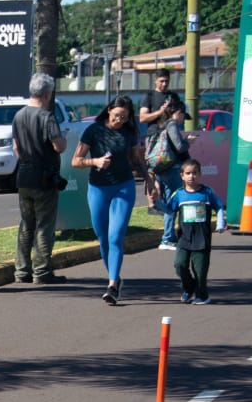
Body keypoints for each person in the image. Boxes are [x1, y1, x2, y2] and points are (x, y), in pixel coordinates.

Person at [72, 95, 144, 305]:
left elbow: (135, 158)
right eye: (116, 116)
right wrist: (95, 161)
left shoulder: (129, 132)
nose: (119, 121)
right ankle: (115, 277)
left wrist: (149, 179)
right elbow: (76, 161)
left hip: (124, 186)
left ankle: (112, 284)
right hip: (98, 189)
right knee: (102, 237)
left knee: (115, 236)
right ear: (109, 110)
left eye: (124, 118)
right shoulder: (93, 130)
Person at [10, 72, 68, 285]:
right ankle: (42, 271)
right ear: (47, 93)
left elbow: (16, 146)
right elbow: (58, 146)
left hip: (24, 174)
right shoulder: (47, 116)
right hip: (44, 176)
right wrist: (64, 140)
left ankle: (21, 270)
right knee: (44, 224)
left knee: (26, 224)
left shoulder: (19, 115)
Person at [165, 158, 227, 305]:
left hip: (202, 238)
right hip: (184, 238)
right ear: (182, 176)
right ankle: (188, 288)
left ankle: (202, 295)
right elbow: (169, 209)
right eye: (188, 173)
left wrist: (220, 223)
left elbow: (219, 206)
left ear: (200, 174)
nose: (191, 176)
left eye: (194, 173)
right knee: (179, 264)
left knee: (200, 270)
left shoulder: (207, 192)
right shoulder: (179, 194)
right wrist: (155, 202)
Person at [150, 100, 193, 251]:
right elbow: (179, 147)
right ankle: (168, 237)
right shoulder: (172, 124)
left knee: (170, 201)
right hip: (171, 168)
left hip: (161, 168)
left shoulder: (160, 124)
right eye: (183, 117)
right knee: (174, 203)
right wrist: (188, 142)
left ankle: (169, 236)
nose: (182, 121)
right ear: (179, 113)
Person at [139, 68, 181, 213]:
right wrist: (160, 112)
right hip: (154, 137)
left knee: (169, 168)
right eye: (161, 81)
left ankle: (168, 201)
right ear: (155, 81)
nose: (164, 84)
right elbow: (143, 117)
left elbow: (179, 114)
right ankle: (152, 204)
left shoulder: (173, 96)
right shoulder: (149, 96)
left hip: (170, 137)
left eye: (166, 81)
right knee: (152, 168)